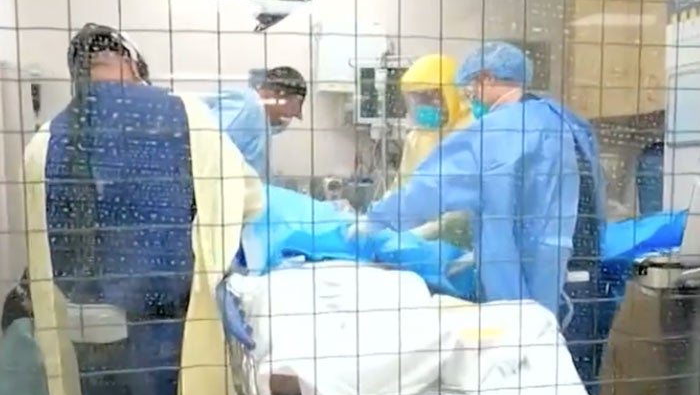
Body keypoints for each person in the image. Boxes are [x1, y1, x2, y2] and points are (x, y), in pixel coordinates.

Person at [22, 23, 262, 395]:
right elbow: (248, 196)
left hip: (84, 324)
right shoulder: (185, 116)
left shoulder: (46, 138)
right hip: (165, 325)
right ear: (133, 63)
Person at [351, 41, 606, 318]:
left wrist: (377, 219)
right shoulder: (562, 118)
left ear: (487, 77)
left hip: (534, 275)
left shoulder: (497, 131)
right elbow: (549, 198)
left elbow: (434, 186)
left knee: (526, 346)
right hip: (582, 265)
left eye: (471, 86)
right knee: (568, 353)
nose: (470, 96)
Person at [392, 53, 474, 249]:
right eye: (416, 98)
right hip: (419, 243)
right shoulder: (418, 137)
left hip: (466, 243)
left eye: (429, 97)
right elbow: (402, 186)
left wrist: (432, 229)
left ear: (450, 93)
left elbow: (468, 204)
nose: (422, 106)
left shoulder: (473, 132)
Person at [205, 66, 306, 178]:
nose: (292, 115)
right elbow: (209, 152)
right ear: (276, 93)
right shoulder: (247, 108)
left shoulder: (259, 119)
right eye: (293, 106)